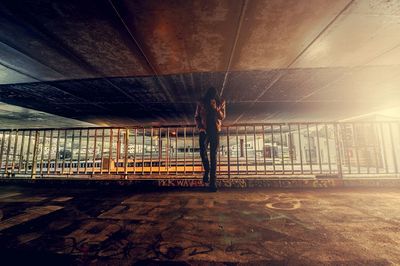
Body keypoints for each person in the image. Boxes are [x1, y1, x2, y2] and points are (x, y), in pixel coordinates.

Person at [194, 87, 226, 192]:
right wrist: (200, 128)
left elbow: (222, 117)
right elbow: (197, 117)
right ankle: (207, 170)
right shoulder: (201, 103)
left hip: (215, 131)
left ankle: (213, 182)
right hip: (204, 131)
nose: (212, 97)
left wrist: (216, 108)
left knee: (213, 156)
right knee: (202, 152)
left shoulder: (221, 102)